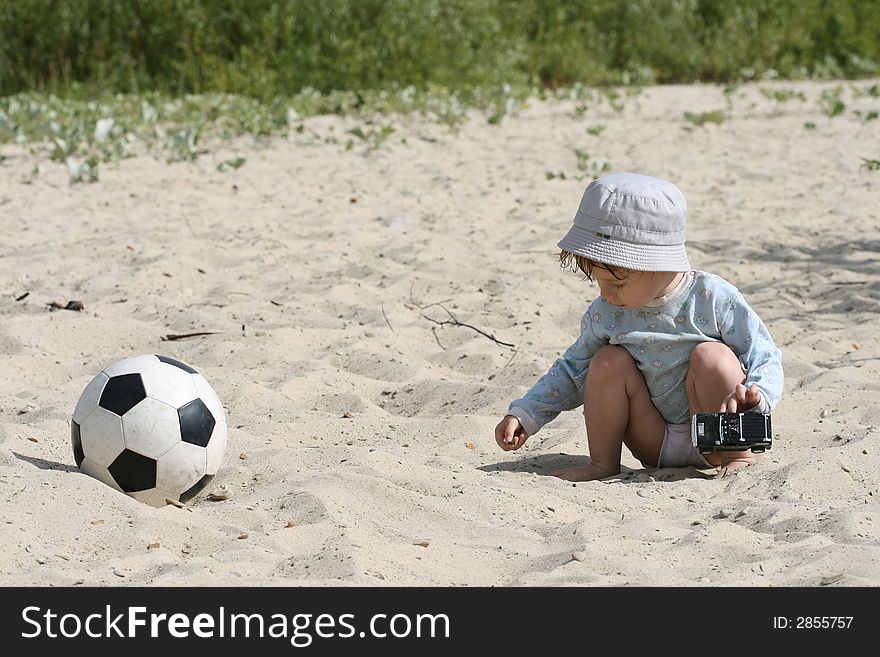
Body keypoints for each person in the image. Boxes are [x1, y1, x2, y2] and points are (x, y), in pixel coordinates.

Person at [493, 172, 783, 481]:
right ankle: (602, 464)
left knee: (712, 356)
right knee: (605, 360)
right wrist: (526, 413)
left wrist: (757, 395)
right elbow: (572, 370)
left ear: (658, 263)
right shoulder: (607, 312)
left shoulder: (711, 297)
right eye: (598, 282)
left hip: (718, 431)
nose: (605, 294)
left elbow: (763, 353)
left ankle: (737, 456)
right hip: (653, 440)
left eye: (616, 282)